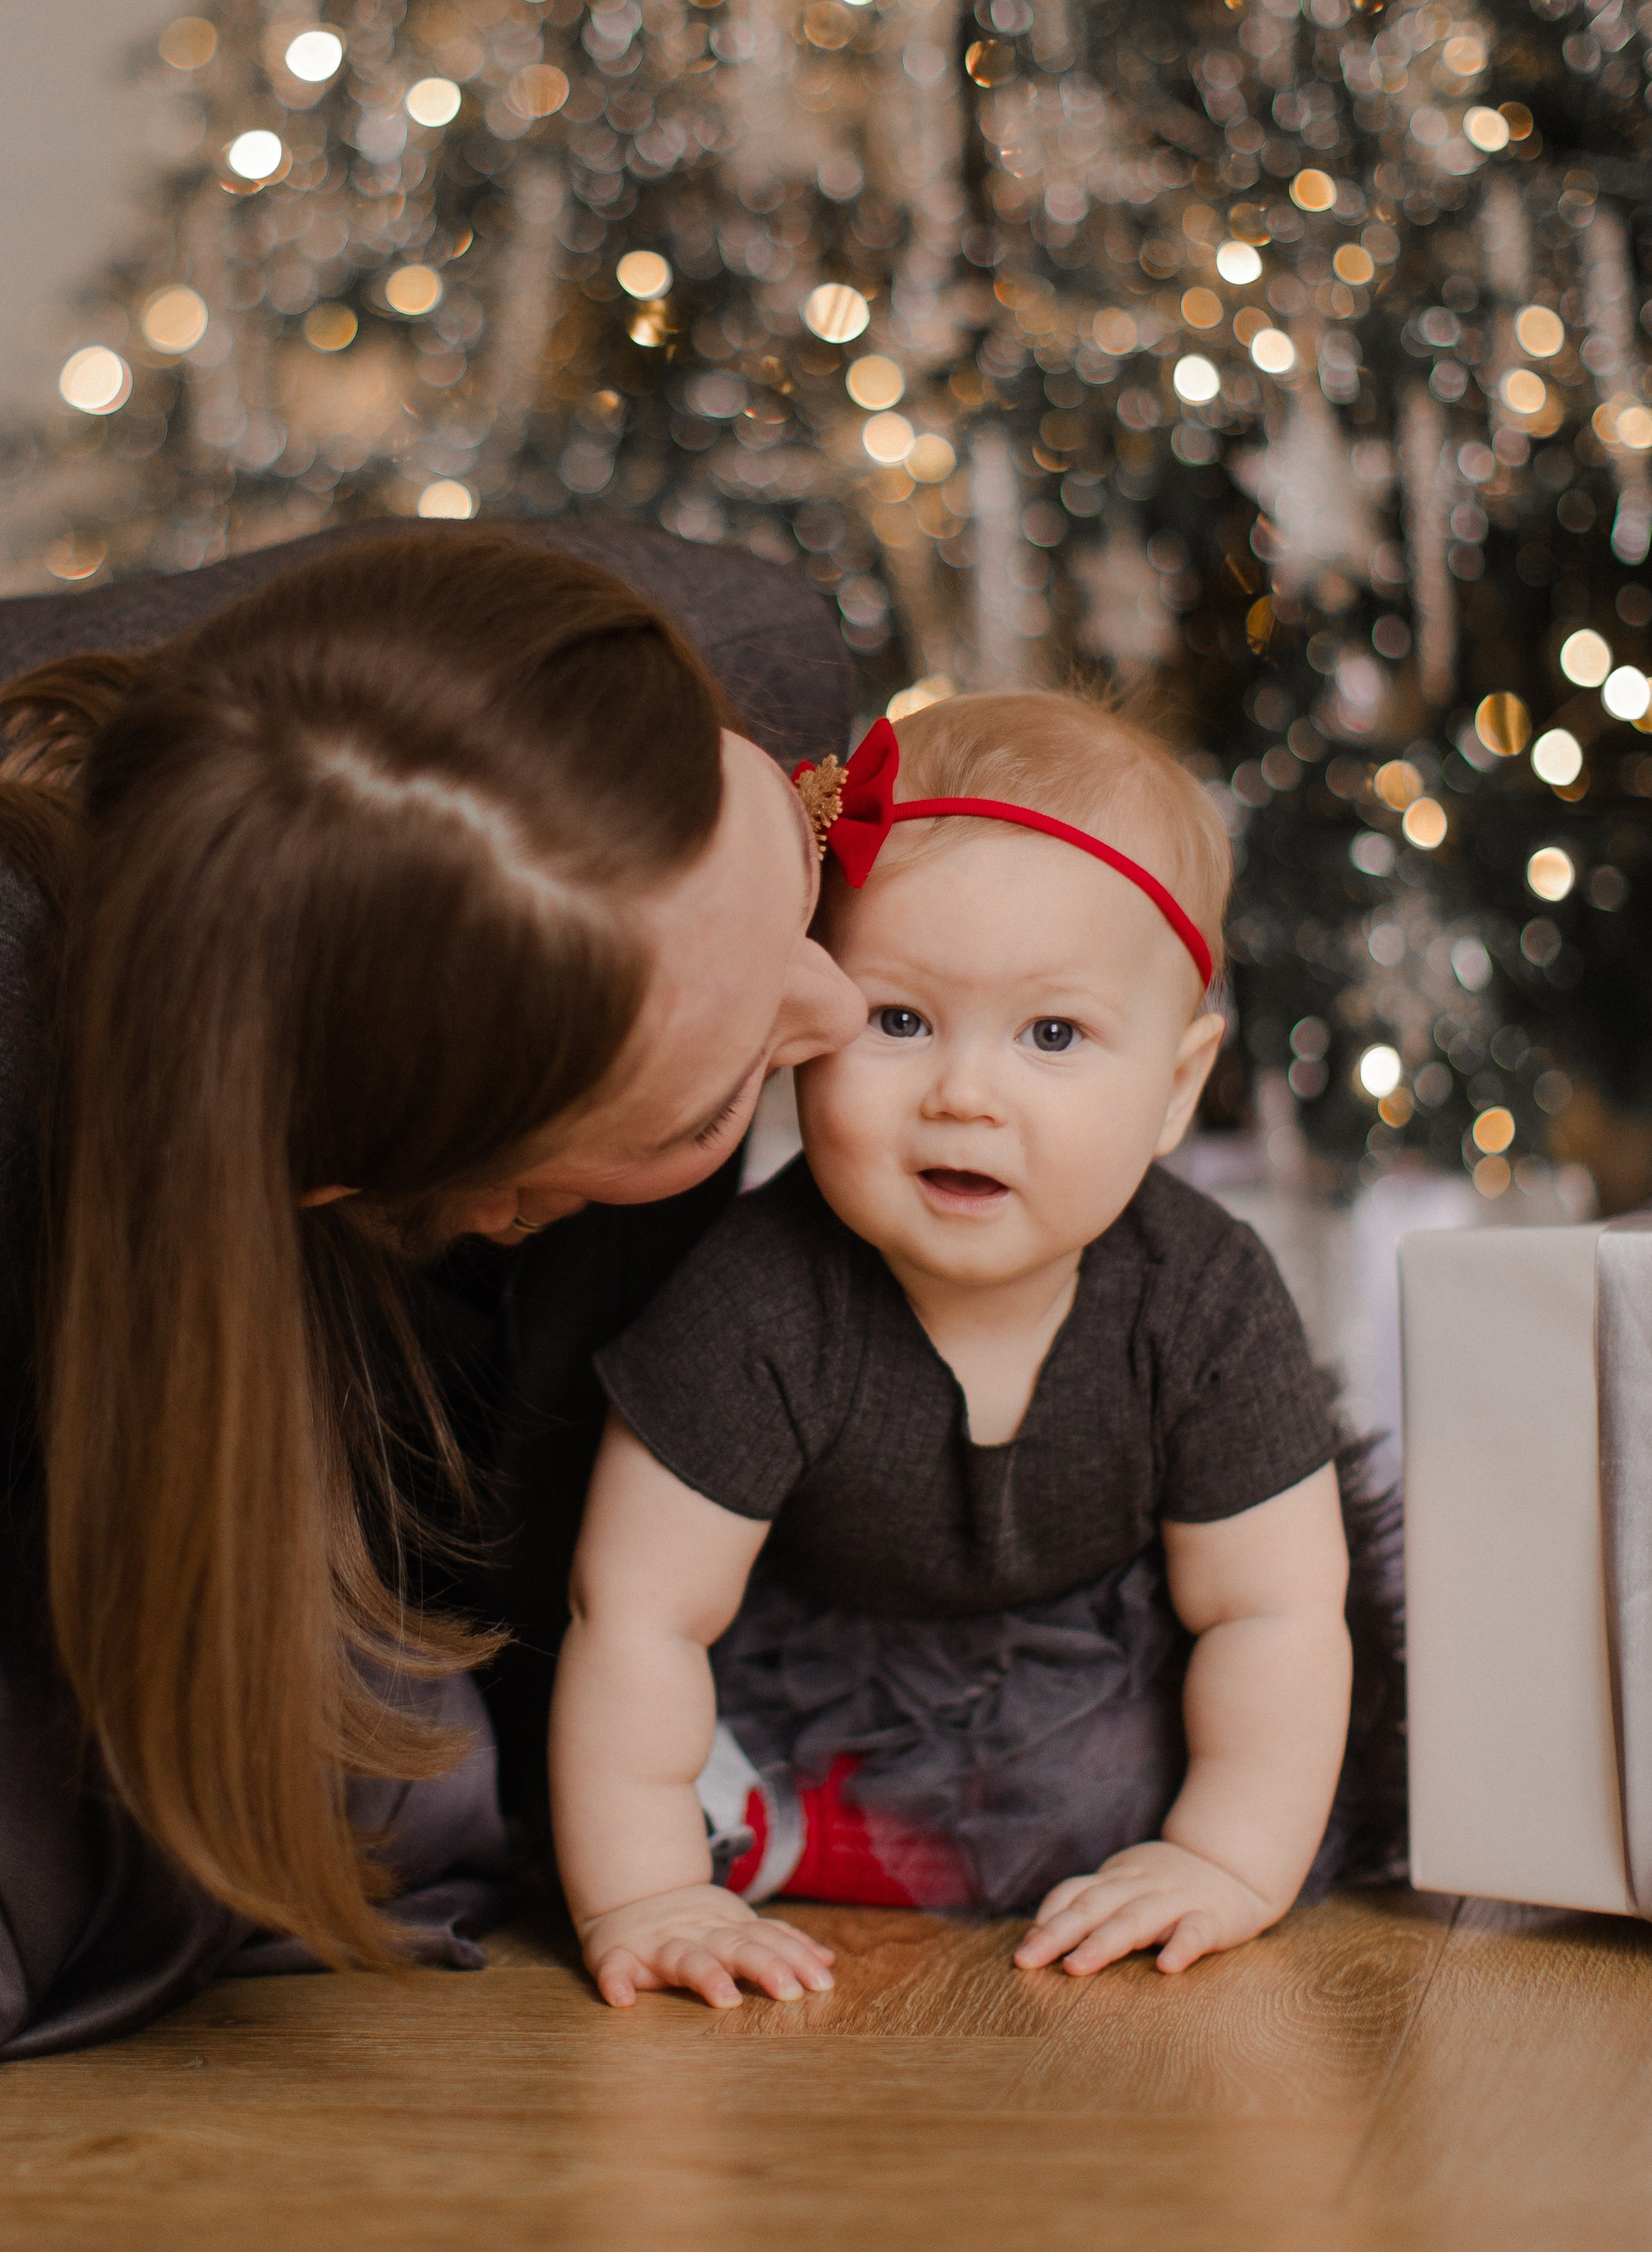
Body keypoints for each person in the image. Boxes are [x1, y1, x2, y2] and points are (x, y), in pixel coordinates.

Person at [0, 519, 863, 2177]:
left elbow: (576, 1372)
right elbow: (180, 1539)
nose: (833, 1018)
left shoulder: (727, 666)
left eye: (797, 867)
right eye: (713, 1101)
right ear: (385, 1185)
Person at [550, 689, 1405, 2013]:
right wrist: (646, 1894)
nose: (965, 1093)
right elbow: (640, 1614)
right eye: (900, 1021)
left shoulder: (1202, 1296)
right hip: (822, 1655)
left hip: (1094, 1662)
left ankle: (1001, 1843)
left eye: (1052, 1036)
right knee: (659, 1741)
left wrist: (1222, 1861)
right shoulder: (757, 1302)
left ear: (1176, 1090)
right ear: (804, 1026)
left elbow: (1272, 1609)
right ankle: (775, 1830)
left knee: (1141, 1769)